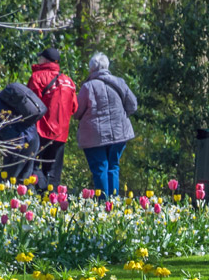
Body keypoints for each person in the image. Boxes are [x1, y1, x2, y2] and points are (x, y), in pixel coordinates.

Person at [73, 52, 137, 200]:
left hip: (94, 136)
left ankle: (103, 204)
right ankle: (113, 204)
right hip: (120, 133)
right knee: (113, 166)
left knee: (100, 168)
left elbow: (76, 112)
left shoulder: (88, 87)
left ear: (92, 69)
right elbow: (133, 105)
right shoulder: (120, 82)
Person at [26, 47, 78, 191]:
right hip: (61, 134)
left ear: (45, 60)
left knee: (33, 166)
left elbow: (30, 105)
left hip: (41, 131)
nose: (38, 60)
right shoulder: (68, 81)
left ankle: (39, 195)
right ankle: (51, 202)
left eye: (40, 58)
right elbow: (74, 107)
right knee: (54, 172)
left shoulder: (37, 77)